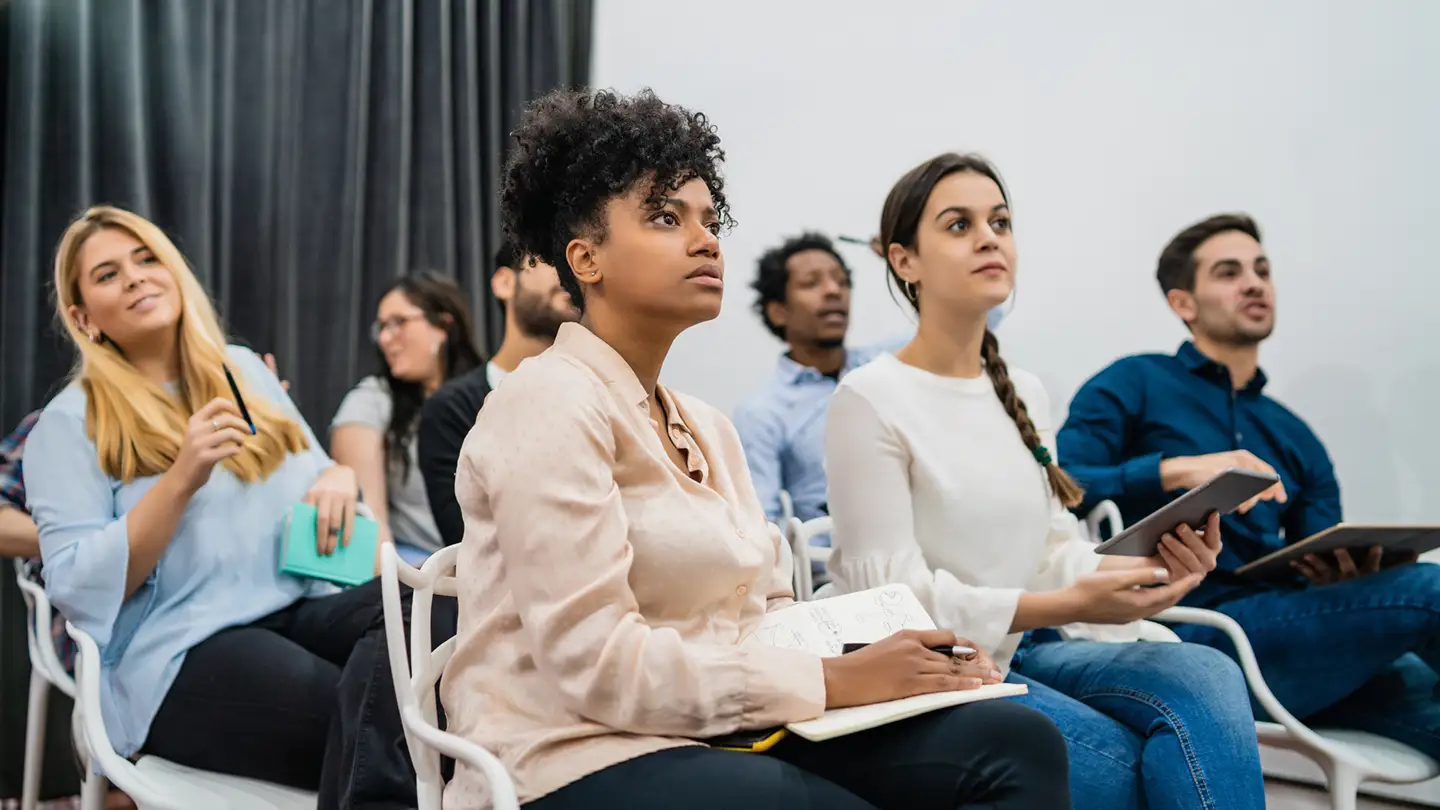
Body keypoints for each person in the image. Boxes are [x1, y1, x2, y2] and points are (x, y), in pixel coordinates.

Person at [438, 88, 1072, 810]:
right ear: (585, 258)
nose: (706, 240)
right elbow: (597, 665)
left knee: (1016, 742)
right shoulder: (545, 403)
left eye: (710, 220)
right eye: (666, 218)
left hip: (732, 732)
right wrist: (833, 683)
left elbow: (766, 608)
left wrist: (872, 656)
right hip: (572, 753)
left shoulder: (707, 426)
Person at [824, 153, 1267, 809]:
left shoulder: (1022, 391)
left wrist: (1145, 568)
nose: (988, 237)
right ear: (904, 260)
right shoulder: (869, 399)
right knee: (1128, 772)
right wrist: (1072, 605)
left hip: (1025, 647)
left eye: (1000, 221)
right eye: (958, 224)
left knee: (1207, 671)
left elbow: (1054, 549)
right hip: (935, 673)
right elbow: (895, 600)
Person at [24, 205, 418, 809]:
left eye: (147, 257)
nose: (135, 277)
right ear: (83, 318)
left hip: (296, 604)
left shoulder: (239, 369)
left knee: (427, 604)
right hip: (182, 645)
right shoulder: (69, 422)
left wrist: (339, 475)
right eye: (107, 274)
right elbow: (75, 586)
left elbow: (314, 471)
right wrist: (182, 476)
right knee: (401, 723)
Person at [1058, 213, 1440, 759]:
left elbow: (1320, 546)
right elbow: (1061, 484)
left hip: (1298, 638)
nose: (1255, 283)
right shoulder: (1134, 381)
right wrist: (1178, 469)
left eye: (1261, 270)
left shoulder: (1294, 434)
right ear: (1182, 303)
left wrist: (1348, 570)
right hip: (1186, 632)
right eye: (1229, 272)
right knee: (1431, 590)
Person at [416, 242, 578, 546]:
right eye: (554, 259)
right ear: (505, 282)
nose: (573, 274)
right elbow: (468, 540)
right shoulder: (452, 409)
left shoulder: (605, 394)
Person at [734, 233, 899, 526]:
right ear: (778, 311)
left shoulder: (887, 364)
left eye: (842, 281)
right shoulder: (762, 413)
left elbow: (979, 318)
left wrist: (909, 259)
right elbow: (763, 528)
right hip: (827, 567)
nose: (834, 290)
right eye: (812, 283)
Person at [331, 271, 484, 564]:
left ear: (443, 325)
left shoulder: (487, 393)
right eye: (382, 327)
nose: (386, 338)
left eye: (399, 323)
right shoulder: (371, 400)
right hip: (420, 576)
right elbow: (371, 525)